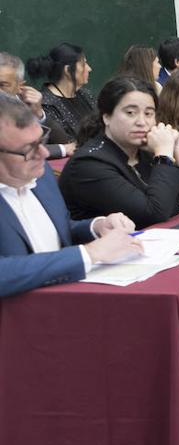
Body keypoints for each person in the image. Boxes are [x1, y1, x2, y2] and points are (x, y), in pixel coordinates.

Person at [0, 97, 143, 299]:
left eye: (41, 141)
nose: (43, 153)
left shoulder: (40, 176)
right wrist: (88, 254)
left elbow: (56, 231)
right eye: (29, 149)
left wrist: (96, 227)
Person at [58, 78, 179, 228]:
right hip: (111, 252)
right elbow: (153, 214)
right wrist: (163, 156)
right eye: (130, 113)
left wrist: (175, 148)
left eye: (148, 114)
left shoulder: (145, 150)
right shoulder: (88, 164)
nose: (141, 122)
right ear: (106, 117)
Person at [0, 53, 73, 158]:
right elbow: (11, 150)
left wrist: (39, 114)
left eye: (2, 85)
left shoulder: (24, 104)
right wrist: (62, 149)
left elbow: (64, 141)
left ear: (20, 86)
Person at [28, 42, 95, 144]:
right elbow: (64, 141)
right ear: (67, 70)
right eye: (83, 64)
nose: (89, 69)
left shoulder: (86, 95)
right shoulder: (45, 104)